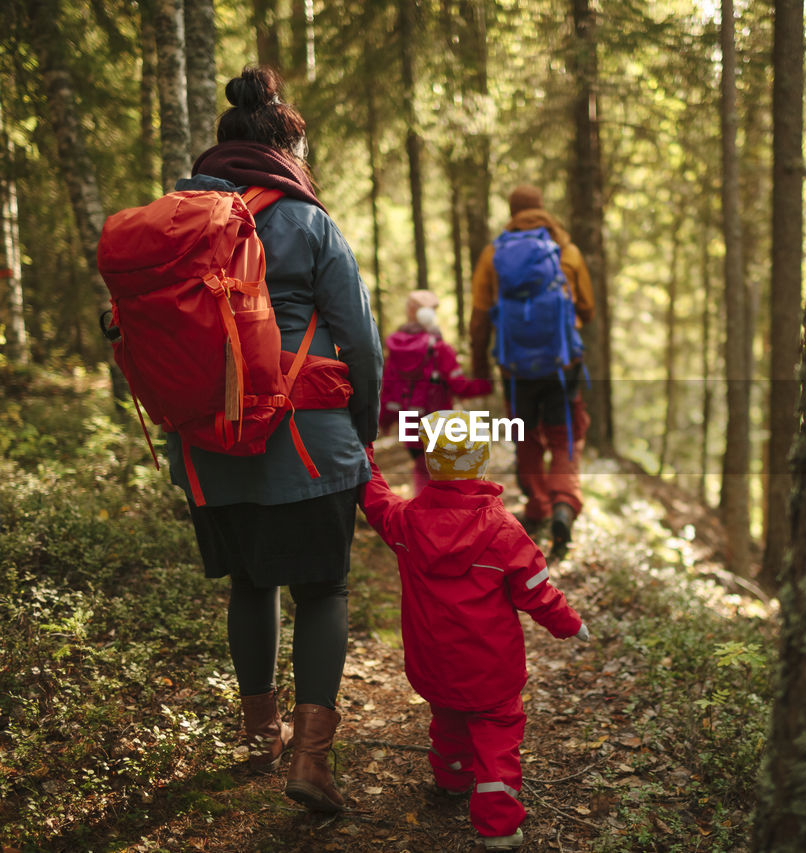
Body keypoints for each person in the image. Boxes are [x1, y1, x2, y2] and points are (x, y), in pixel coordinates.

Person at [163, 65, 382, 814]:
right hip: (308, 442)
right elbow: (361, 342)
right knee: (323, 589)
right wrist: (361, 436)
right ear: (288, 150)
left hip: (206, 444)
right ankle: (310, 763)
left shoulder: (177, 219)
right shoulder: (308, 221)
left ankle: (259, 735)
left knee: (250, 583)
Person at [357, 411, 589, 851]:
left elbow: (375, 497)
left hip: (433, 664)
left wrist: (363, 452)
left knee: (447, 719)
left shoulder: (405, 521)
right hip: (492, 671)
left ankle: (450, 779)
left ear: (430, 462)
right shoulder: (504, 531)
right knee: (497, 739)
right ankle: (498, 826)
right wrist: (570, 624)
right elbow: (537, 593)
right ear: (481, 461)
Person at [469, 185, 596, 560]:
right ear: (542, 209)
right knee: (565, 432)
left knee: (525, 433)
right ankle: (564, 502)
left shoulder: (494, 254)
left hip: (515, 366)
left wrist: (479, 367)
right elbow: (586, 307)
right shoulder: (565, 251)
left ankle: (538, 505)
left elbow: (479, 317)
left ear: (511, 212)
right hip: (561, 363)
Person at [379, 290, 491, 492]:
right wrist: (487, 384)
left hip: (409, 427)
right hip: (439, 424)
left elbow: (388, 388)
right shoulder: (440, 349)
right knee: (444, 477)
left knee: (422, 471)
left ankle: (423, 516)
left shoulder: (395, 351)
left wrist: (384, 421)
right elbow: (460, 386)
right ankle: (442, 519)